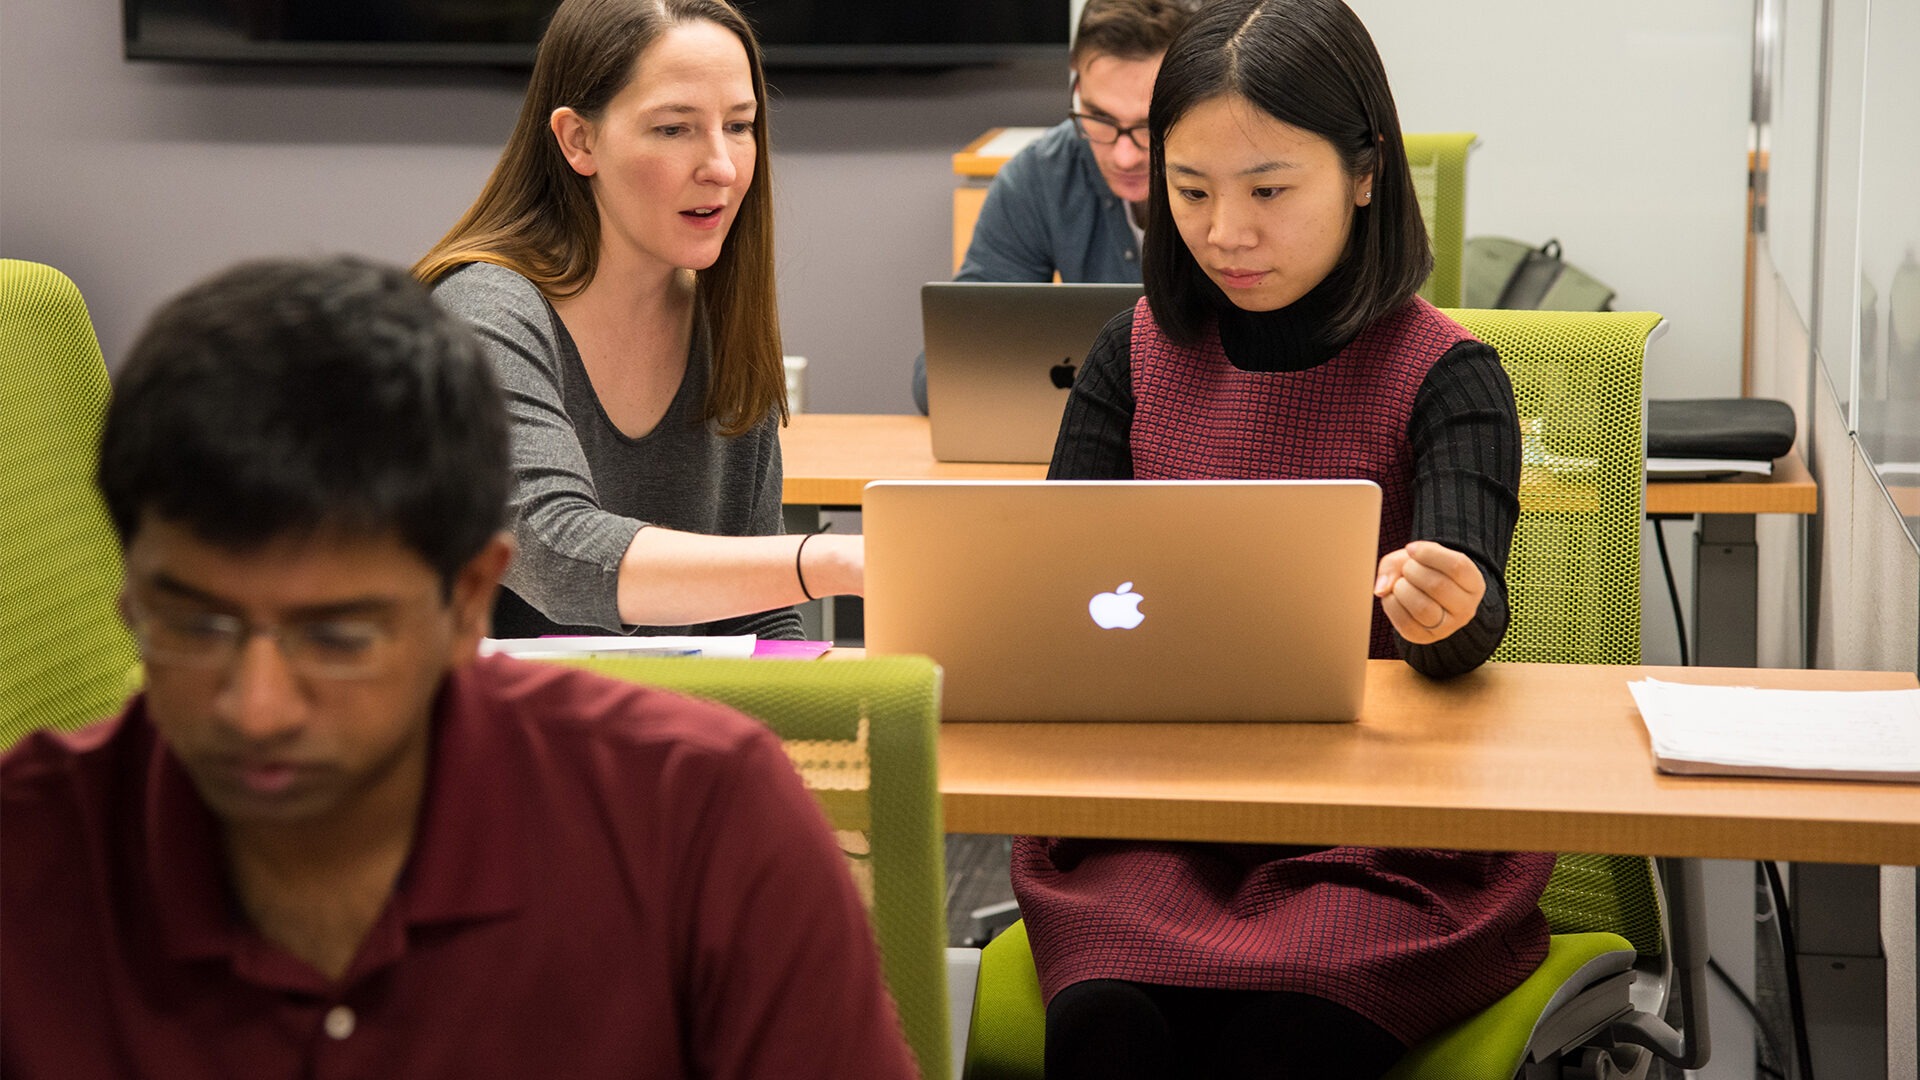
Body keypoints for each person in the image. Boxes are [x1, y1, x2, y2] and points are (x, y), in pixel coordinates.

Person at [0, 257, 918, 1080]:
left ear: (473, 597)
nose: (259, 708)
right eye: (194, 627)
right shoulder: (30, 859)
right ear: (131, 600)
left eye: (338, 638)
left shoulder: (699, 819)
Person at [1014, 1, 1556, 1076]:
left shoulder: (1448, 376)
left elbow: (1471, 622)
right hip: (1150, 828)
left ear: (1365, 173)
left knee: (1284, 1037)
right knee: (1107, 1026)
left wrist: (1445, 613)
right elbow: (1050, 597)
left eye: (1268, 190)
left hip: (1380, 846)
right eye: (1191, 191)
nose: (1225, 232)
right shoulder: (1131, 357)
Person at [418, 0, 859, 639]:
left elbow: (756, 616)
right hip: (501, 731)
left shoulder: (720, 315)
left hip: (664, 727)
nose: (723, 167)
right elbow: (556, 556)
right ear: (579, 140)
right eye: (674, 129)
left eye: (739, 126)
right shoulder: (483, 311)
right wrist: (826, 559)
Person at [911, 0, 1200, 413]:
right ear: (1075, 86)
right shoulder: (1040, 176)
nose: (1124, 156)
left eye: (1149, 124)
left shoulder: (1236, 180)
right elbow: (942, 376)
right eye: (1098, 117)